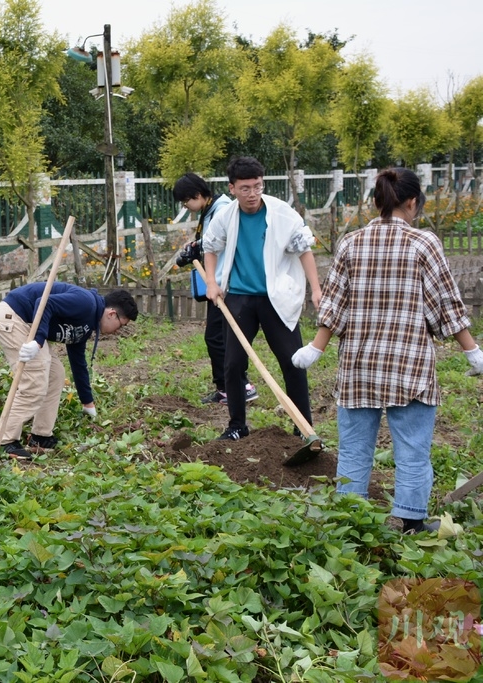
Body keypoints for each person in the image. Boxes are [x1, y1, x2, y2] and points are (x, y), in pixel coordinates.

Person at [292, 168, 483, 534]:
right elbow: (444, 303)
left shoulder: (351, 243)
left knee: (353, 448)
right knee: (412, 447)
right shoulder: (423, 244)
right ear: (412, 202)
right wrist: (472, 351)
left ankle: (350, 517)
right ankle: (410, 519)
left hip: (359, 365)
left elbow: (334, 304)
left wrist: (316, 348)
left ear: (377, 202)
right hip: (409, 363)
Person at [202, 156, 322, 441]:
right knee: (232, 364)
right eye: (245, 188)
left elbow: (304, 250)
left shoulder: (282, 213)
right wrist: (211, 282)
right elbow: (210, 247)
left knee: (292, 361)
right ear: (232, 188)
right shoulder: (225, 216)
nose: (252, 194)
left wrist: (316, 290)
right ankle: (237, 426)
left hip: (275, 297)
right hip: (240, 299)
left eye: (257, 186)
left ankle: (302, 426)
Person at [0, 282, 138, 461]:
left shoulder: (87, 324)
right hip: (14, 316)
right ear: (112, 314)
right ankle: (5, 441)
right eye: (121, 325)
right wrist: (37, 342)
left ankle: (40, 437)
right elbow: (44, 303)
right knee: (34, 381)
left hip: (27, 323)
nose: (118, 331)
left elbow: (78, 362)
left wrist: (88, 402)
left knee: (56, 374)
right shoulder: (85, 304)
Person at [173, 172, 258, 406]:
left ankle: (239, 386)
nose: (186, 207)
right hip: (218, 283)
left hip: (226, 284)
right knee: (219, 337)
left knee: (219, 337)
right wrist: (197, 246)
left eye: (186, 202)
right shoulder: (211, 210)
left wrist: (199, 248)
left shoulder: (221, 208)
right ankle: (228, 387)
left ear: (198, 195)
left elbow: (224, 241)